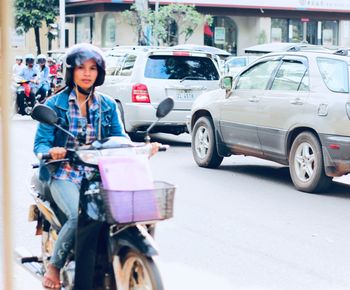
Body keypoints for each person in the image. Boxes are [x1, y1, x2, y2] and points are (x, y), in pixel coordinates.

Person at [33, 43, 158, 289]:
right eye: (81, 68)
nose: (87, 73)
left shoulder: (108, 105)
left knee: (134, 211)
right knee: (78, 216)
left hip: (101, 172)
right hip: (63, 171)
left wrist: (141, 148)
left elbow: (120, 138)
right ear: (71, 72)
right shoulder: (54, 104)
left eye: (92, 68)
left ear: (99, 73)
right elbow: (40, 145)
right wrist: (51, 151)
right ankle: (55, 266)